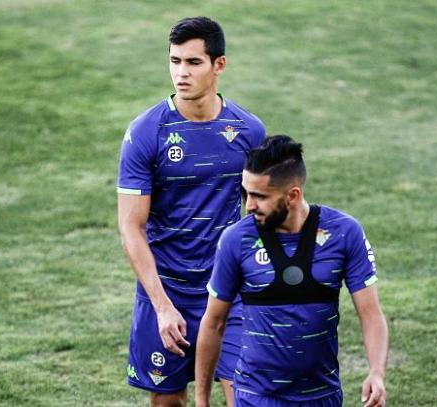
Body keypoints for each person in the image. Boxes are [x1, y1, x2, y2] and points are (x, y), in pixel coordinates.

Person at [117, 16, 267, 407]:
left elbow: (262, 215)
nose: (181, 73)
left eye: (193, 62)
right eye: (175, 61)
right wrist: (162, 306)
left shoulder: (249, 132)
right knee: (169, 402)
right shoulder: (146, 133)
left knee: (246, 396)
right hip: (167, 290)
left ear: (219, 65)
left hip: (228, 291)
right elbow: (131, 227)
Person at [195, 135, 388, 407]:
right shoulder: (236, 240)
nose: (248, 205)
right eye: (246, 193)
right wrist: (201, 399)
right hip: (256, 398)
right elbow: (213, 322)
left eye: (259, 196)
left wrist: (377, 373)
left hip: (322, 397)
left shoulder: (344, 233)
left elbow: (370, 313)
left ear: (293, 195)